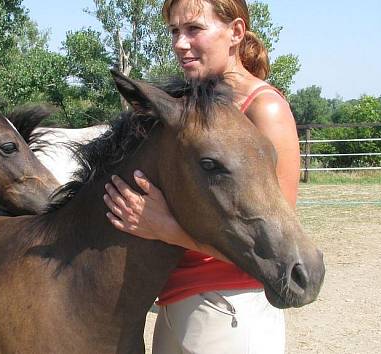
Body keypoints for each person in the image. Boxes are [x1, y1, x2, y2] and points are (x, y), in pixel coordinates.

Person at [102, 0, 300, 353]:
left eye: (194, 29)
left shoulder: (262, 108)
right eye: (175, 31)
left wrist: (164, 227)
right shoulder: (195, 113)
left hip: (231, 309)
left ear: (235, 32)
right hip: (177, 305)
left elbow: (278, 249)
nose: (180, 43)